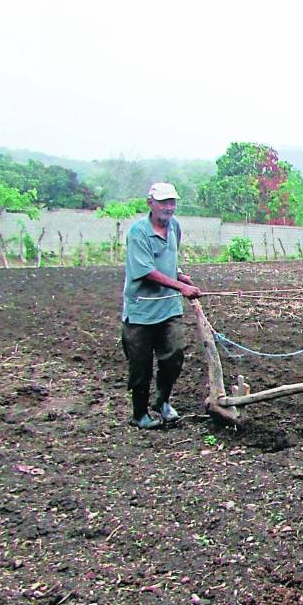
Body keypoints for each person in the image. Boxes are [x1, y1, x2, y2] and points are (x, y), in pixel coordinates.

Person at [121, 183, 201, 429]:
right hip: (141, 311)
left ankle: (163, 401)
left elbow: (168, 260)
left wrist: (180, 275)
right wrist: (181, 288)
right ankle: (139, 414)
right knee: (140, 365)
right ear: (150, 203)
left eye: (172, 202)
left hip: (169, 309)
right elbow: (145, 271)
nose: (169, 207)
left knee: (174, 355)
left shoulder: (175, 227)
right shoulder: (138, 232)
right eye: (164, 202)